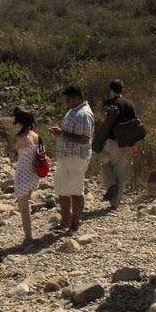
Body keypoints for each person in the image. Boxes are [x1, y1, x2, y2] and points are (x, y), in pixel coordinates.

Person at [51, 86, 94, 233]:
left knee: (76, 191)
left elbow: (84, 139)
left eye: (68, 99)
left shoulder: (83, 114)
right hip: (66, 157)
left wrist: (61, 134)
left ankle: (74, 225)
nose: (66, 102)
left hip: (76, 158)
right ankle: (64, 223)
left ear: (76, 98)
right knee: (62, 190)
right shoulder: (73, 111)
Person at [92, 79, 138, 209]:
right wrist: (135, 144)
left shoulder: (108, 103)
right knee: (121, 172)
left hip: (112, 141)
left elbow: (103, 119)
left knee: (106, 166)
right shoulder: (129, 104)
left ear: (111, 90)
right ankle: (115, 203)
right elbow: (135, 123)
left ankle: (111, 186)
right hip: (128, 143)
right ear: (122, 90)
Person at [12, 108, 40, 245]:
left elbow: (15, 152)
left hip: (23, 174)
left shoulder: (21, 137)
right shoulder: (36, 135)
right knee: (26, 205)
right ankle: (29, 235)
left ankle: (28, 237)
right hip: (33, 174)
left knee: (23, 208)